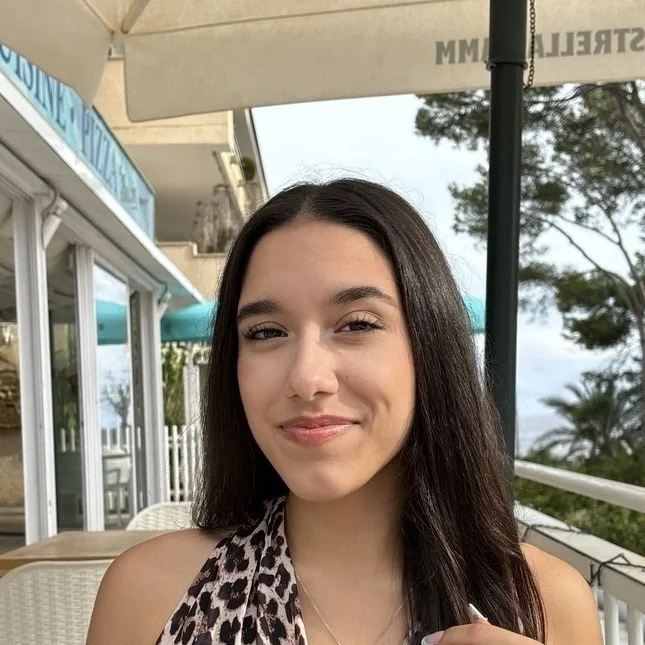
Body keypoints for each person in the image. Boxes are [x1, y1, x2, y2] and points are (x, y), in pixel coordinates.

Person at [87, 179, 603, 645]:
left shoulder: (545, 605)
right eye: (266, 332)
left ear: (430, 346)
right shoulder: (149, 595)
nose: (306, 378)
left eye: (356, 324)